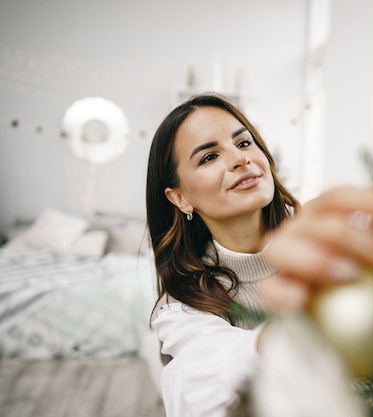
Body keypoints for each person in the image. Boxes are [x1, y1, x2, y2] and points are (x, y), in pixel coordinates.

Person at [145, 93, 301, 417]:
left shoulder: (322, 238)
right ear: (180, 198)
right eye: (209, 157)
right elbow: (206, 379)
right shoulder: (183, 310)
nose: (239, 159)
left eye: (243, 143)